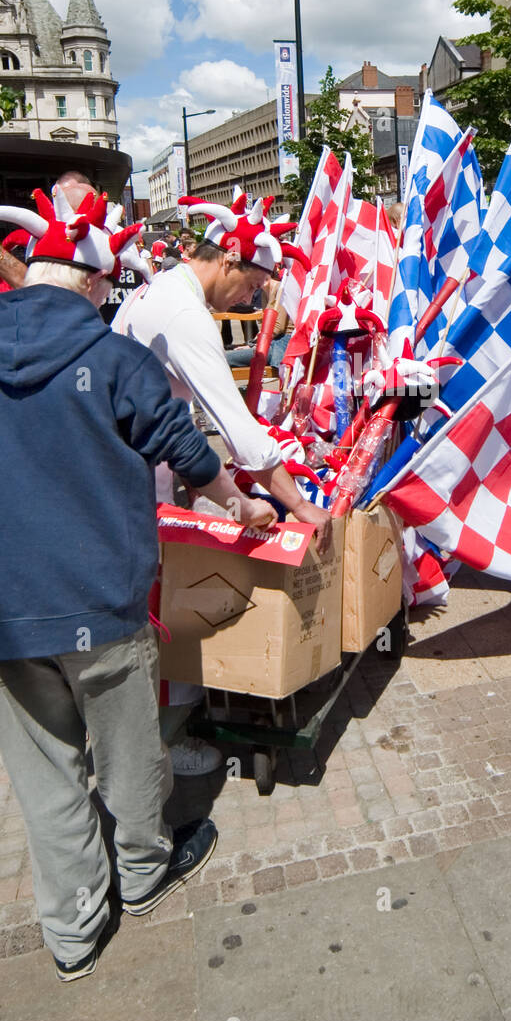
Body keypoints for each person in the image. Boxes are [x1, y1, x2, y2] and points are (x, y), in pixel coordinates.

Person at [0, 193, 277, 982]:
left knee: (46, 772)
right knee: (128, 756)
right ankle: (141, 873)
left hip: (3, 610)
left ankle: (71, 932)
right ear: (96, 284)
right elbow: (188, 455)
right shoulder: (116, 357)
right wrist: (243, 501)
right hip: (102, 599)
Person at [113, 195, 332, 772]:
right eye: (254, 285)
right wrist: (298, 505)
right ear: (229, 260)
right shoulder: (185, 315)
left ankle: (156, 732)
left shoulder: (163, 290)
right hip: (135, 480)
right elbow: (240, 433)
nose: (254, 299)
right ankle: (158, 747)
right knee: (163, 610)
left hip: (140, 469)